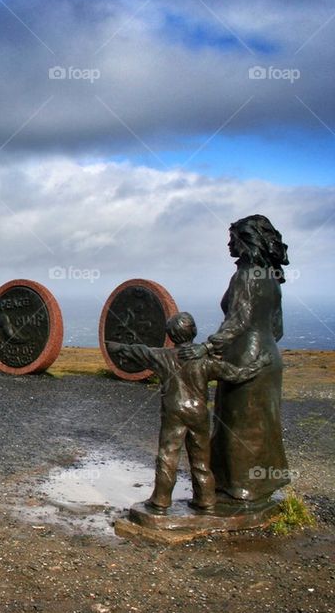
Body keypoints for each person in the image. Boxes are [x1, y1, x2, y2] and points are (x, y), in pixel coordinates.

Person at [107, 312, 269, 513]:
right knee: (201, 459)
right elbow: (236, 374)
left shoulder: (162, 356)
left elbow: (136, 351)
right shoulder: (205, 361)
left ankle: (161, 500)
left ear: (170, 335)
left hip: (174, 412)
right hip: (198, 413)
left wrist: (113, 345)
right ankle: (206, 499)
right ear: (193, 332)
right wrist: (259, 364)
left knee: (168, 455)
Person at [178, 214, 289, 503]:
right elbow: (277, 328)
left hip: (244, 355)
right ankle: (259, 487)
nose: (229, 245)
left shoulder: (245, 275)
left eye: (233, 239)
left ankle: (239, 488)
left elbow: (238, 321)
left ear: (247, 241)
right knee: (262, 426)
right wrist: (261, 346)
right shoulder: (272, 279)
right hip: (269, 357)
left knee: (236, 425)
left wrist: (206, 347)